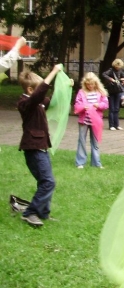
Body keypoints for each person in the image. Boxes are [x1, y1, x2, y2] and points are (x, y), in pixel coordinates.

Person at [17, 65, 64, 227]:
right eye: (36, 91)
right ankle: (30, 213)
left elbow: (50, 99)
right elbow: (40, 94)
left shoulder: (37, 102)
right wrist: (53, 72)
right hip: (33, 148)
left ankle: (43, 212)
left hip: (41, 148)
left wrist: (65, 86)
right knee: (48, 182)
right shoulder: (25, 103)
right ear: (30, 90)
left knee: (45, 181)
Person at [74, 72, 109, 169]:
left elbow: (106, 104)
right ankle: (80, 162)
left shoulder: (100, 92)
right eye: (88, 84)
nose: (90, 86)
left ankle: (96, 162)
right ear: (85, 84)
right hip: (84, 120)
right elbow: (77, 105)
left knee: (95, 142)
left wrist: (99, 105)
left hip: (96, 120)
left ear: (96, 83)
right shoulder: (81, 92)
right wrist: (82, 107)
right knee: (81, 141)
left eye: (92, 84)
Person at [102, 59, 124, 131]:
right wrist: (110, 79)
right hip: (111, 91)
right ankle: (111, 125)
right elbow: (103, 74)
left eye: (119, 67)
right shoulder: (111, 70)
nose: (118, 68)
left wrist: (122, 79)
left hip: (118, 91)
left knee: (117, 109)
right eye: (117, 66)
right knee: (112, 109)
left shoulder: (120, 70)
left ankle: (117, 125)